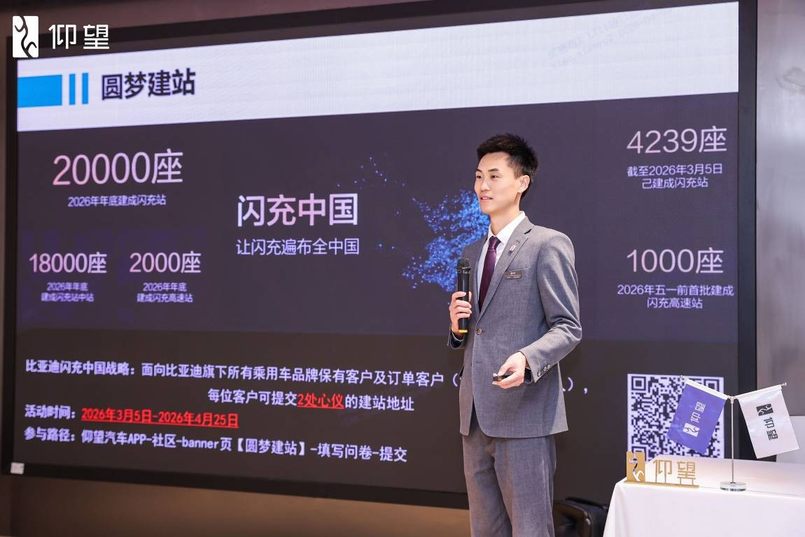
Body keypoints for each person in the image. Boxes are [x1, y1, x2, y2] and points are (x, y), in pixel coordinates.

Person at [448, 133, 581, 537]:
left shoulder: (546, 244)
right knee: (484, 530)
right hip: (475, 418)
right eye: (478, 176)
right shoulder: (471, 253)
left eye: (494, 176)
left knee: (530, 529)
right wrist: (456, 329)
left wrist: (527, 358)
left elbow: (568, 327)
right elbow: (479, 329)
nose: (482, 186)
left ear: (522, 182)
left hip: (524, 416)